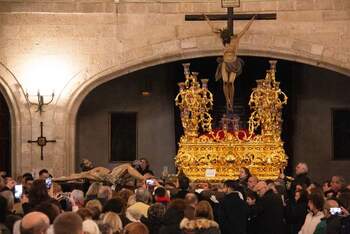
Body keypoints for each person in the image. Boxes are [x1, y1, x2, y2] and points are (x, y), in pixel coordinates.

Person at [204, 14, 256, 111]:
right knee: (225, 82)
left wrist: (252, 19)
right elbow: (212, 28)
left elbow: (245, 30)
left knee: (231, 82)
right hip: (225, 63)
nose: (225, 40)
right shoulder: (223, 39)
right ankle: (227, 100)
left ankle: (231, 101)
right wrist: (207, 19)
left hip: (234, 63)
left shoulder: (235, 39)